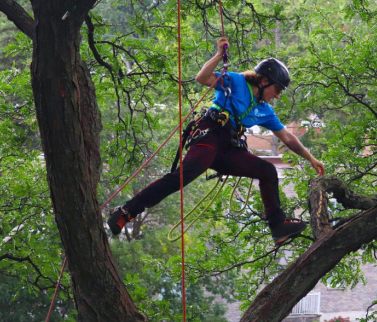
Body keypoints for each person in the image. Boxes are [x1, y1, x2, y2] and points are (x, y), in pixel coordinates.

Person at [107, 37, 325, 245]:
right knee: (185, 174)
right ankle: (125, 212)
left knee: (267, 170)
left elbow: (287, 138)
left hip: (228, 148)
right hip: (210, 134)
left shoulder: (265, 111)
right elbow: (202, 78)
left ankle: (277, 226)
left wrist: (311, 158)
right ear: (265, 81)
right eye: (277, 90)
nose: (277, 96)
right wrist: (218, 55)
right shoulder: (238, 81)